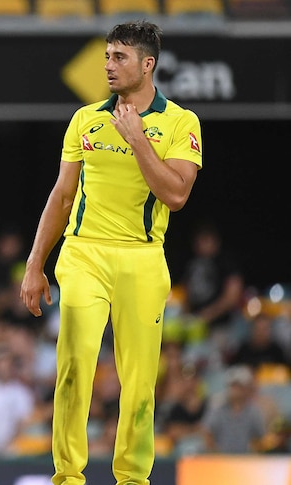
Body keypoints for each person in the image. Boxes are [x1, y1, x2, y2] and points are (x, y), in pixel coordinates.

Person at [19, 20, 203, 485]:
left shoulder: (180, 122)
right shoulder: (86, 119)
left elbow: (177, 195)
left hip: (142, 258)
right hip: (84, 254)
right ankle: (68, 476)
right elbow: (62, 196)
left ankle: (133, 479)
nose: (108, 66)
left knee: (139, 383)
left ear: (148, 64)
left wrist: (137, 138)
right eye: (106, 56)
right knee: (75, 363)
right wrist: (35, 264)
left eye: (119, 58)